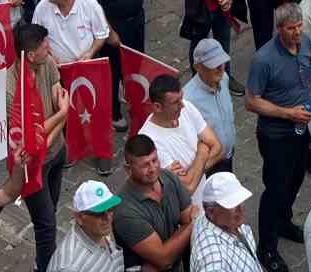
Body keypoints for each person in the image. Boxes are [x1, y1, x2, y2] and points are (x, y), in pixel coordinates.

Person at [245, 2, 311, 271]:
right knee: (275, 188)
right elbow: (251, 101)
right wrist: (286, 113)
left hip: (301, 129)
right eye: (291, 29)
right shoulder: (263, 59)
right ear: (279, 28)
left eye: (299, 26)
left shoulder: (304, 41)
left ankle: (284, 220)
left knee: (295, 180)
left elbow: (310, 69)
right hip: (276, 135)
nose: (297, 32)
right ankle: (267, 247)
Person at [85, 0, 146, 131]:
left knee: (136, 63)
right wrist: (110, 33)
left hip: (137, 20)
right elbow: (96, 6)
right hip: (116, 28)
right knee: (113, 70)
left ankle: (134, 98)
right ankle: (114, 112)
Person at [113, 135, 195, 272]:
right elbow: (163, 258)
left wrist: (174, 244)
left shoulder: (169, 178)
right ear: (128, 169)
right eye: (145, 165)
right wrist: (194, 223)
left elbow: (187, 217)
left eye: (155, 160)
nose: (152, 169)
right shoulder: (125, 210)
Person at [137, 74, 222, 196]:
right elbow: (187, 188)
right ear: (157, 107)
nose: (182, 105)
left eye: (181, 98)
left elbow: (218, 148)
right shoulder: (149, 140)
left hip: (204, 201)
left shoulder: (186, 107)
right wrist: (202, 152)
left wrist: (191, 174)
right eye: (175, 102)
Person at [182, 39, 237, 179]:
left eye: (222, 62)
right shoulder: (187, 100)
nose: (221, 68)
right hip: (210, 165)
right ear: (198, 67)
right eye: (214, 64)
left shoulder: (223, 78)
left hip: (228, 156)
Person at [190, 170, 261, 272]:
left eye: (241, 200)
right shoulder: (215, 260)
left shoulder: (210, 218)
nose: (241, 209)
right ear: (211, 211)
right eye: (233, 205)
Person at [51, 180, 125, 272]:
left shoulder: (97, 230)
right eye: (99, 213)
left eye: (110, 209)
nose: (107, 218)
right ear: (80, 217)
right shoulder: (71, 267)